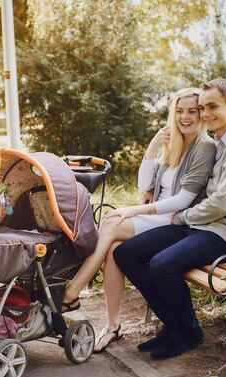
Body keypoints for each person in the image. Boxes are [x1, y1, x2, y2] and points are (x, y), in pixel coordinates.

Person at [113, 78, 226, 359]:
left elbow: (222, 204)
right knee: (126, 254)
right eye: (203, 107)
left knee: (162, 265)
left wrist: (181, 217)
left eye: (212, 107)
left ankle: (188, 331)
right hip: (201, 226)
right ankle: (174, 324)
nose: (205, 113)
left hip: (225, 234)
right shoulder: (224, 141)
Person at [60, 87, 217, 353]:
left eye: (192, 111)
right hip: (157, 214)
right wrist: (153, 148)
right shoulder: (174, 143)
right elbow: (145, 183)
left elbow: (182, 201)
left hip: (176, 220)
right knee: (112, 250)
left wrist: (134, 211)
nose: (185, 117)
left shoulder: (204, 147)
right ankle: (111, 326)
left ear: (202, 114)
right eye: (179, 111)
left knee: (110, 224)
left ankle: (71, 292)